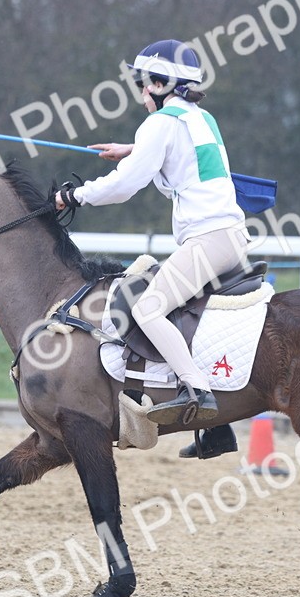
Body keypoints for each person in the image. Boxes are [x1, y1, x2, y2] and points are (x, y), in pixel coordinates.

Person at [54, 39, 250, 426]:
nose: (142, 92)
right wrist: (133, 148)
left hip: (208, 241)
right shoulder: (200, 118)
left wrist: (74, 195)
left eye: (145, 83)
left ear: (160, 84)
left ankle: (196, 389)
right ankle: (214, 431)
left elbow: (123, 187)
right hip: (230, 237)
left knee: (148, 308)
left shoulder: (158, 125)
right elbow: (178, 150)